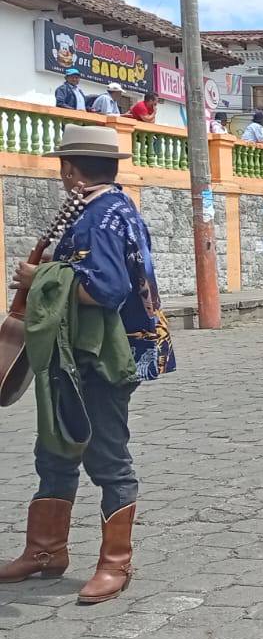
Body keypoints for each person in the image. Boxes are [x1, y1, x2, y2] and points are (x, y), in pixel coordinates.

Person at [0, 125, 175, 604]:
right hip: (76, 355)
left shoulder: (100, 218)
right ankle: (45, 551)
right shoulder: (113, 206)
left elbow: (106, 290)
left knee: (106, 458)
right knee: (55, 448)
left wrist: (39, 278)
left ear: (69, 170)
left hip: (99, 359)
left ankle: (116, 563)